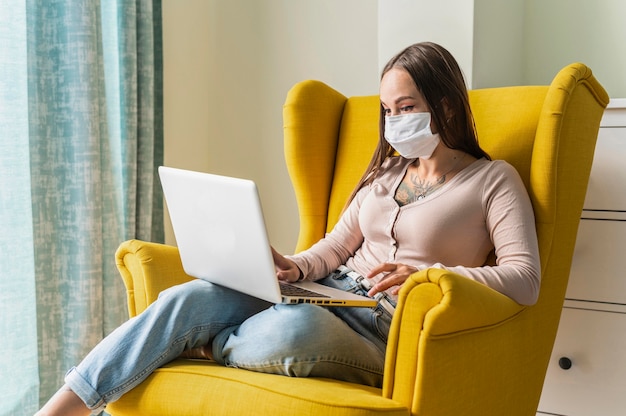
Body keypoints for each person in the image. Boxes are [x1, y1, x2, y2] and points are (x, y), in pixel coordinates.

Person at [37, 41, 540, 415]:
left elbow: (525, 278)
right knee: (187, 298)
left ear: (447, 105)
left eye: (406, 108)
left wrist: (432, 278)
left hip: (387, 327)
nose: (393, 122)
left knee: (289, 330)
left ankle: (205, 343)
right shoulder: (387, 174)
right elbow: (338, 246)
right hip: (331, 293)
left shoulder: (492, 180)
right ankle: (64, 406)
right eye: (387, 111)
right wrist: (293, 266)